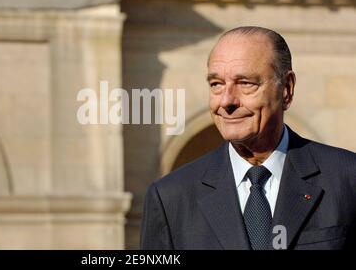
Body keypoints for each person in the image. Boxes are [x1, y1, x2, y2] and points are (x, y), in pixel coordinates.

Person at [140, 26, 356, 250]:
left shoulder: (347, 180)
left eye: (245, 83)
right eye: (216, 84)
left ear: (287, 89)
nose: (226, 101)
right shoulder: (171, 198)